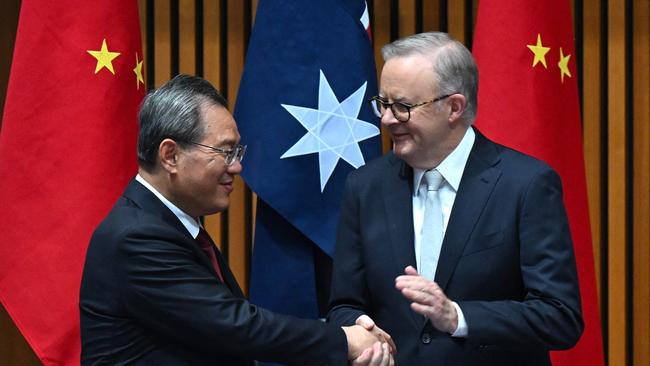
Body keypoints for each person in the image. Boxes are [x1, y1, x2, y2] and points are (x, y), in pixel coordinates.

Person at [79, 74, 394, 365]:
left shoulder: (170, 225)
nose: (237, 168)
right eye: (226, 152)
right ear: (171, 156)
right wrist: (343, 339)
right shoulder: (137, 237)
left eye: (236, 153)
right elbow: (236, 326)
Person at [327, 32, 584, 365]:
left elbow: (559, 317)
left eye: (402, 107)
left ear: (454, 107)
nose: (387, 119)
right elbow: (344, 305)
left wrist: (458, 317)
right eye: (383, 103)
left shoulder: (526, 184)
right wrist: (361, 330)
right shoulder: (365, 187)